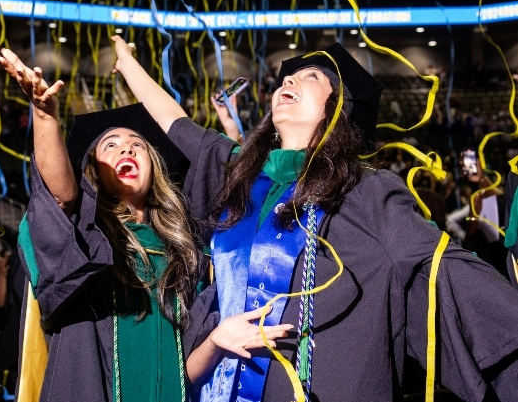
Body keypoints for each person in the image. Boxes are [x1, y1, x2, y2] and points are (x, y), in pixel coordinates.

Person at [110, 35, 518, 402]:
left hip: (315, 384)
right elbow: (175, 123)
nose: (288, 80)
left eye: (310, 77)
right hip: (223, 382)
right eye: (288, 77)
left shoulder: (364, 190)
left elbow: (444, 271)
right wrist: (127, 63)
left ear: (337, 106)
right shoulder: (240, 174)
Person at [0, 49, 209, 402]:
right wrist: (45, 116)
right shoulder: (85, 239)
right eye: (110, 146)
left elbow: (188, 361)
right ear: (92, 172)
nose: (126, 150)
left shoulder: (184, 248)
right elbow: (61, 197)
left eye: (136, 145)